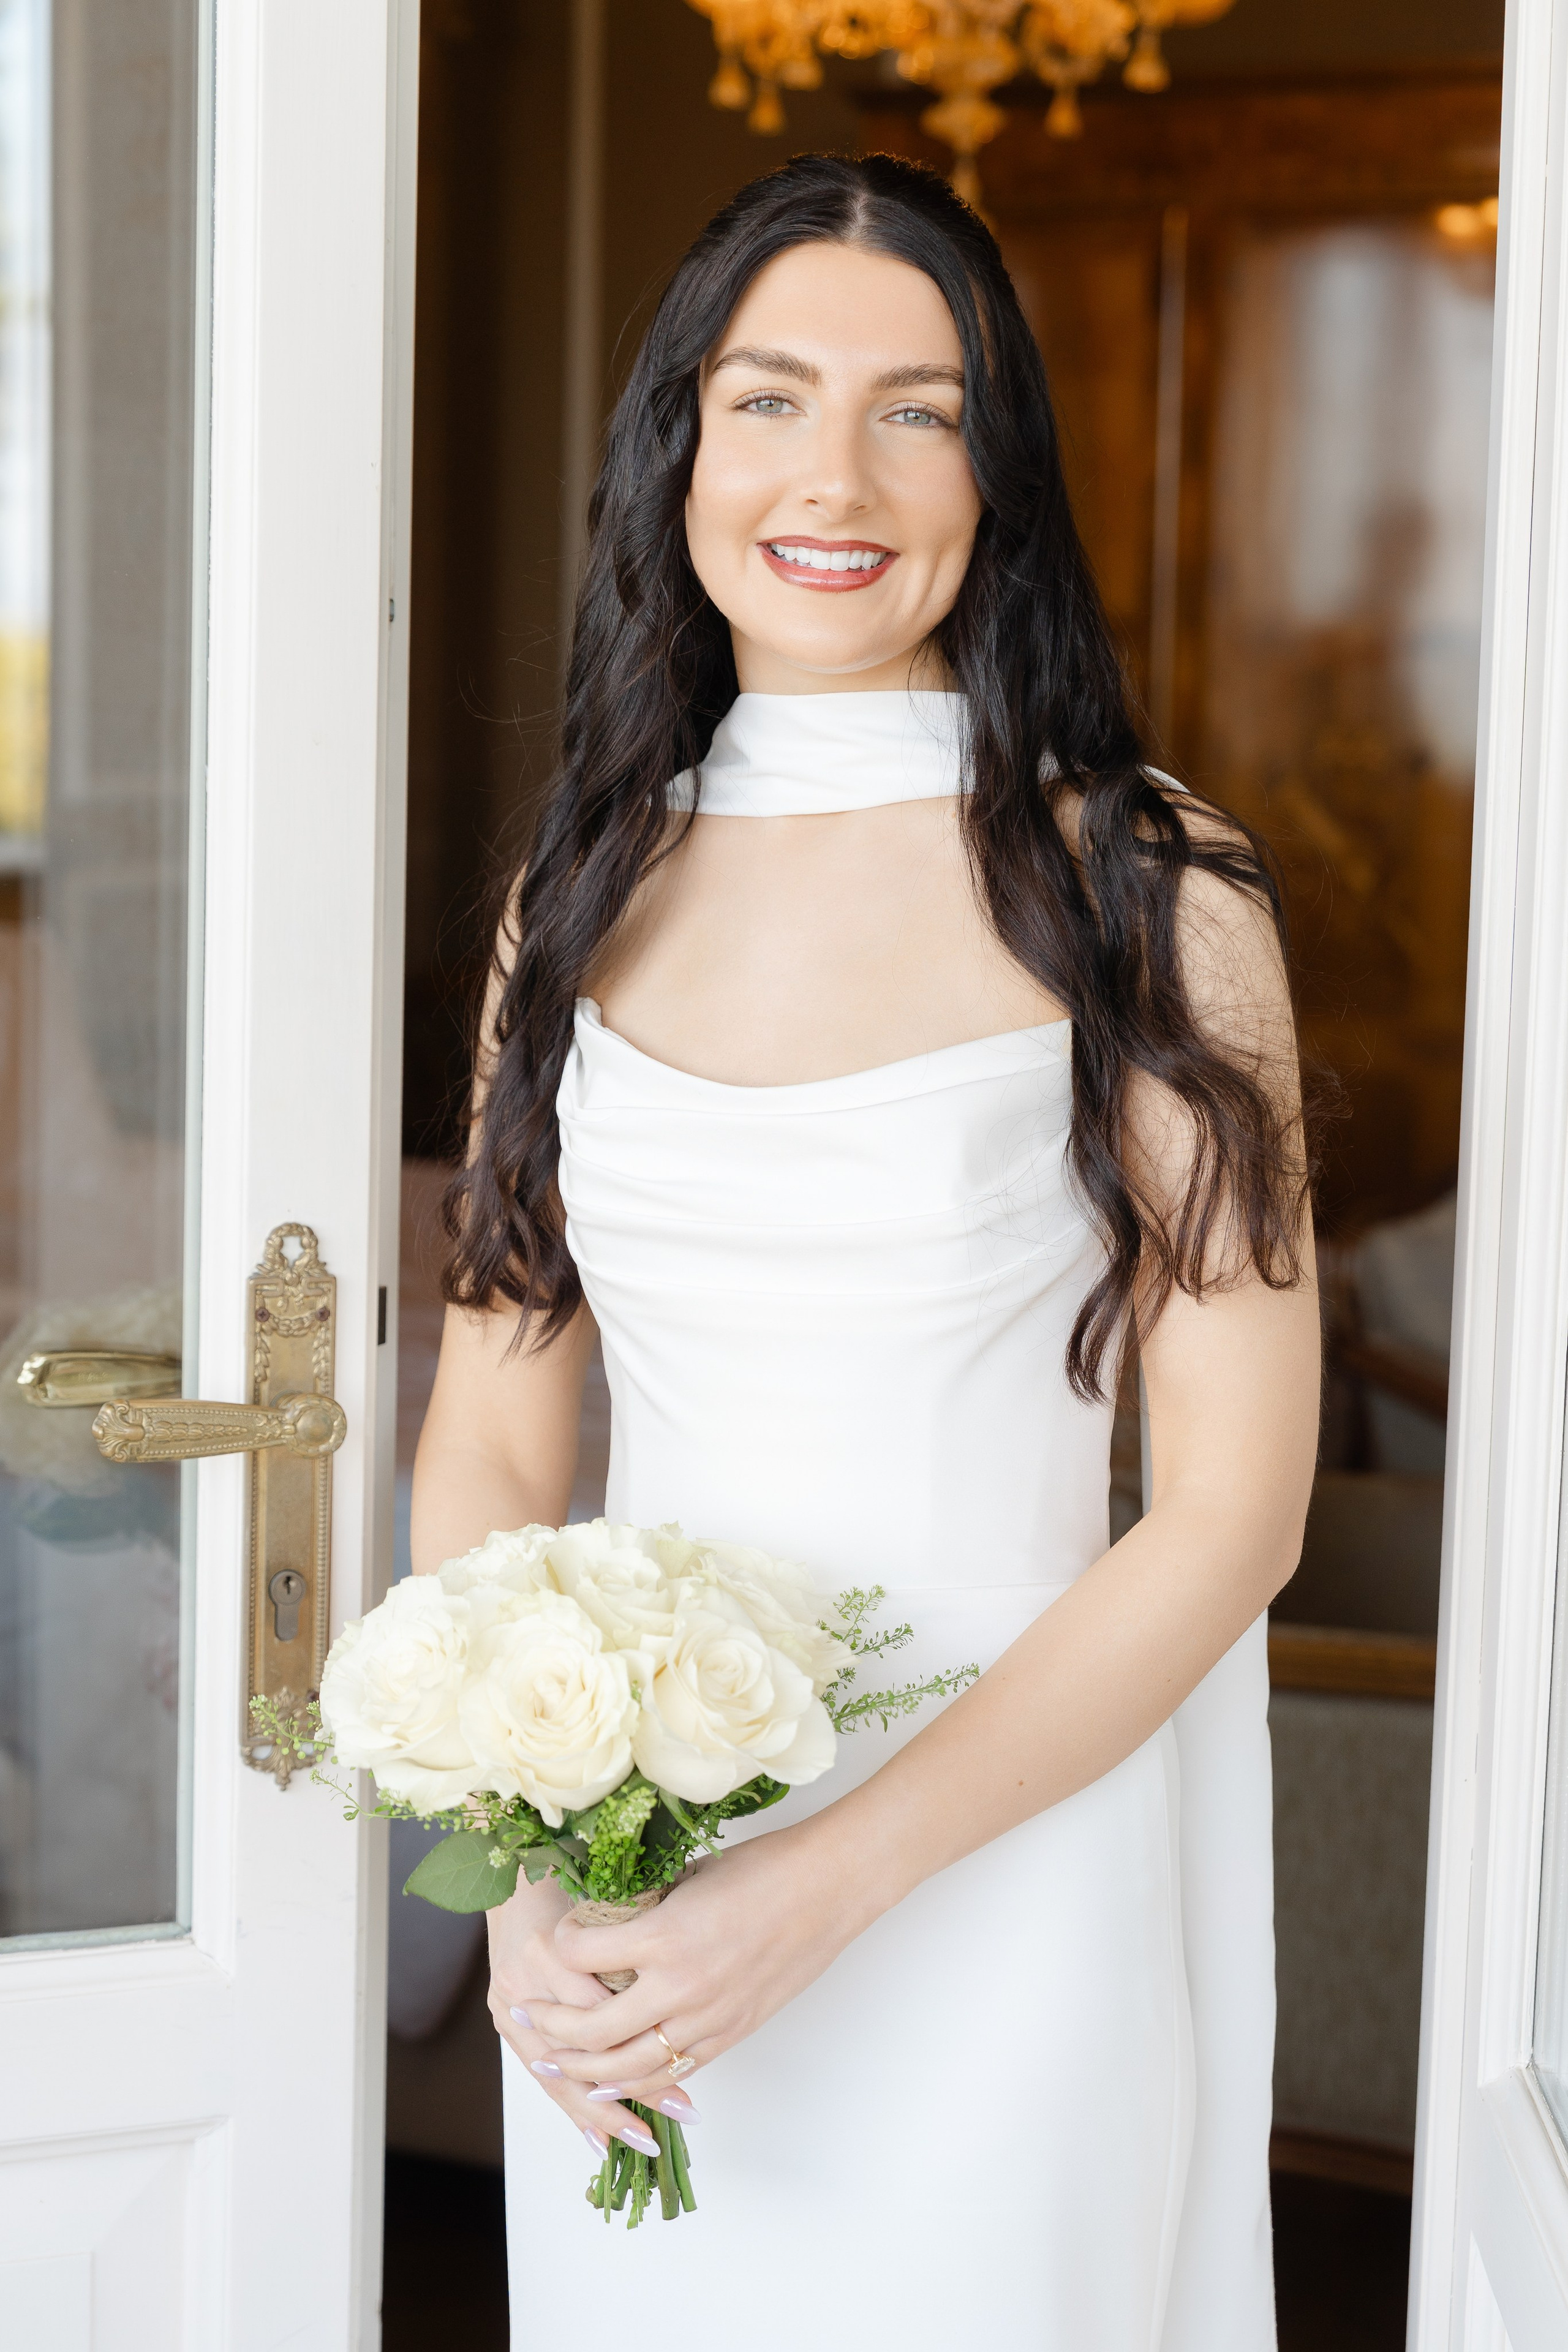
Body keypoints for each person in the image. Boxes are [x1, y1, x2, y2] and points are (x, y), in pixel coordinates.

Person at [411, 151, 1319, 2350]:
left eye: (921, 408)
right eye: (774, 397)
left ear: (995, 474)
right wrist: (539, 1867)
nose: (841, 473)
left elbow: (1234, 1515)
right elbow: (495, 1449)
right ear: (682, 448)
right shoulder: (581, 888)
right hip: (635, 1905)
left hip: (1012, 1869)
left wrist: (817, 1891)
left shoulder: (1147, 881)